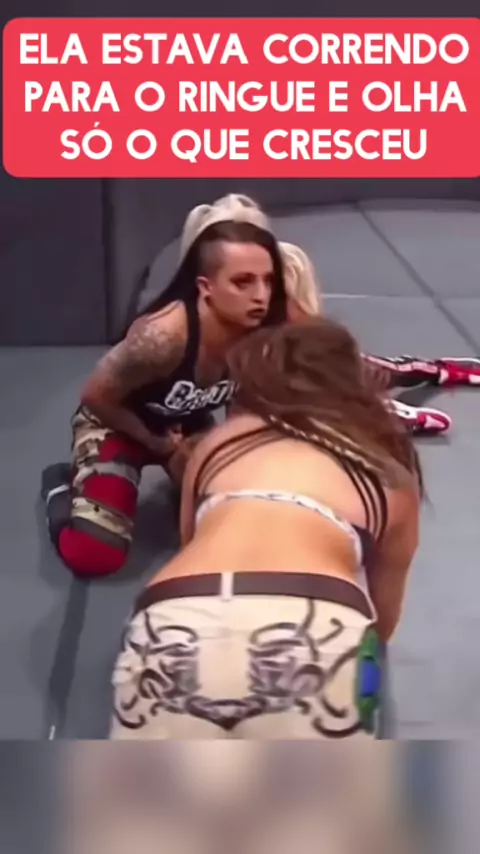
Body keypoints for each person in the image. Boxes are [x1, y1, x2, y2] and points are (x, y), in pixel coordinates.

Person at [42, 194, 479, 580]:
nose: (260, 296)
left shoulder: (270, 317)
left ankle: (434, 370)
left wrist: (377, 409)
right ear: (206, 287)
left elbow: (337, 363)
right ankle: (60, 485)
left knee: (244, 526)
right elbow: (96, 397)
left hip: (187, 423)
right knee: (95, 554)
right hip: (122, 424)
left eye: (268, 281)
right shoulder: (162, 336)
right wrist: (160, 445)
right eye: (243, 282)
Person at [110, 316, 422, 741]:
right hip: (317, 625)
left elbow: (190, 542)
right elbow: (382, 622)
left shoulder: (218, 443)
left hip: (176, 616)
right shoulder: (388, 474)